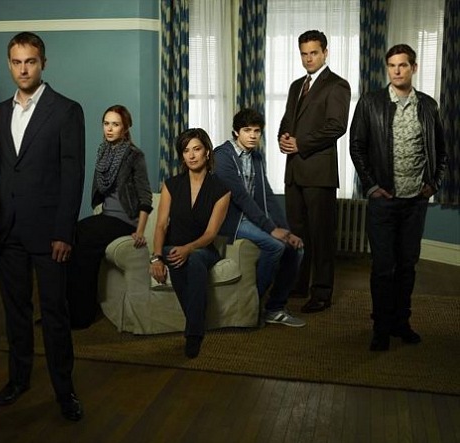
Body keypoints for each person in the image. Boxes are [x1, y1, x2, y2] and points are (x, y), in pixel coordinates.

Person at [0, 32, 85, 421]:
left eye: (30, 61)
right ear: (9, 64)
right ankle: (18, 379)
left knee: (54, 313)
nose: (23, 69)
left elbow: (73, 175)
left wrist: (64, 232)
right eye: (16, 62)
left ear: (43, 63)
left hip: (49, 233)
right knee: (15, 311)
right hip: (7, 231)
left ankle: (65, 391)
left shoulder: (66, 110)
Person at [350, 44, 447, 352]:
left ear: (413, 68)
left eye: (403, 65)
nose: (397, 71)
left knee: (407, 266)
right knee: (383, 267)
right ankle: (380, 327)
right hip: (383, 200)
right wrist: (371, 186)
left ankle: (401, 322)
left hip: (415, 201)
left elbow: (441, 151)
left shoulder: (428, 106)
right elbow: (357, 147)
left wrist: (433, 184)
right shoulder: (371, 102)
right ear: (387, 68)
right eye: (392, 65)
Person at [278, 29, 351, 313]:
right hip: (294, 171)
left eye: (314, 53)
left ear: (325, 53)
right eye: (304, 54)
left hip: (319, 172)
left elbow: (336, 126)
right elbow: (288, 119)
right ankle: (298, 284)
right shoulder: (297, 85)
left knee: (321, 236)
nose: (309, 58)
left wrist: (301, 143)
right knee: (297, 233)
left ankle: (321, 293)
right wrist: (283, 137)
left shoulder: (337, 85)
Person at [214, 108, 306, 328]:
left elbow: (267, 196)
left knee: (296, 248)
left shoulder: (255, 156)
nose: (253, 135)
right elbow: (241, 197)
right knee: (275, 246)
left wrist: (285, 229)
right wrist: (272, 229)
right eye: (247, 130)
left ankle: (275, 308)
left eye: (257, 131)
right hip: (230, 220)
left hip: (251, 217)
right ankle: (252, 305)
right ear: (236, 132)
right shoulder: (222, 156)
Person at [67, 105, 152, 329]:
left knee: (84, 239)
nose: (110, 129)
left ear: (125, 128)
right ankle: (69, 309)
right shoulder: (103, 152)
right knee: (71, 234)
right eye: (106, 124)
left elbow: (145, 195)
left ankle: (82, 316)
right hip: (106, 216)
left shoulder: (134, 155)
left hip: (125, 220)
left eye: (116, 124)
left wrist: (140, 231)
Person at [150, 128, 230, 359]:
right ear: (182, 156)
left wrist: (189, 248)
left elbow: (211, 233)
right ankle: (197, 324)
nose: (192, 155)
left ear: (207, 152)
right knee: (176, 255)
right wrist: (156, 257)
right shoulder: (171, 185)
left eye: (197, 149)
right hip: (173, 247)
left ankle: (193, 334)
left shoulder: (221, 190)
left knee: (192, 260)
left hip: (203, 249)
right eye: (186, 151)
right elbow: (161, 225)